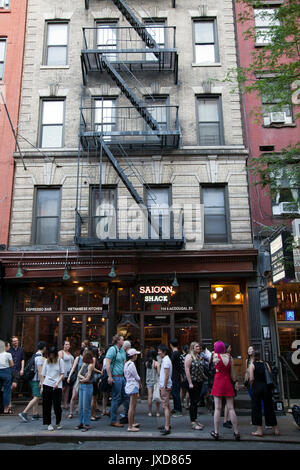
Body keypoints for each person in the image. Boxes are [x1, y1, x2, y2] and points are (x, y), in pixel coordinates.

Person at [210, 341, 240, 440]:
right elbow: (232, 371)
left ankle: (216, 432)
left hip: (218, 381)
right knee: (231, 408)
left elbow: (212, 362)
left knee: (217, 408)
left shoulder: (216, 356)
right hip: (227, 381)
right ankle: (236, 432)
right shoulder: (229, 358)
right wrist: (235, 381)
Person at [249, 350, 279, 437]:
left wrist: (251, 386)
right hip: (266, 387)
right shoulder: (266, 364)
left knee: (256, 408)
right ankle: (275, 429)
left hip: (256, 387)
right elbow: (269, 375)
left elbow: (251, 378)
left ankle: (259, 430)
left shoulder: (252, 365)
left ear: (254, 356)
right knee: (269, 407)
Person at [18, 341, 46, 423]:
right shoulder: (40, 358)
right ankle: (24, 412)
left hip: (31, 379)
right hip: (36, 380)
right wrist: (42, 382)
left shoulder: (34, 356)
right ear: (44, 348)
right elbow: (40, 372)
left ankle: (35, 414)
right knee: (36, 397)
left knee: (35, 396)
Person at [106, 334, 129, 427]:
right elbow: (107, 363)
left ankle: (112, 411)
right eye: (122, 340)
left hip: (122, 377)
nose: (123, 341)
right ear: (117, 341)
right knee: (116, 398)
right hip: (115, 376)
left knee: (125, 396)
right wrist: (109, 376)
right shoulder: (112, 349)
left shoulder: (122, 350)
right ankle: (113, 420)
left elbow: (124, 363)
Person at [41, 346, 64, 431]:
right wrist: (42, 384)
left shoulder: (60, 361)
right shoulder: (46, 362)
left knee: (57, 405)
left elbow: (62, 373)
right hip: (47, 384)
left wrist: (57, 383)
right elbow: (43, 374)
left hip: (57, 386)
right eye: (50, 354)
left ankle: (58, 422)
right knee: (47, 405)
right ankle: (48, 423)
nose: (51, 356)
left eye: (52, 354)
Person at [66, 340, 90, 419]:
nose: (86, 352)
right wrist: (69, 376)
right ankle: (71, 412)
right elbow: (73, 368)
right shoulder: (78, 358)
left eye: (87, 351)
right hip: (78, 379)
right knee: (74, 396)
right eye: (85, 351)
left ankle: (80, 411)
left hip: (86, 380)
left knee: (82, 397)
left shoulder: (88, 359)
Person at [184, 342, 205, 431]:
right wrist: (190, 382)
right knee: (193, 401)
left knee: (196, 401)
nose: (198, 347)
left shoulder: (198, 356)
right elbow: (187, 369)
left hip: (199, 381)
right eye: (196, 346)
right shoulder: (189, 357)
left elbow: (201, 369)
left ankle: (195, 420)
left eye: (199, 346)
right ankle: (193, 422)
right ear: (192, 347)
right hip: (193, 381)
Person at [76, 349, 95, 432]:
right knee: (81, 406)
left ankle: (86, 423)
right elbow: (79, 374)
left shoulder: (90, 365)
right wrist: (83, 378)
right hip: (83, 385)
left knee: (85, 406)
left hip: (87, 386)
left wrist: (82, 379)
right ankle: (81, 422)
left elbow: (88, 378)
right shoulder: (84, 364)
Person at [124, 348, 141, 432]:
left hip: (128, 385)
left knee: (133, 406)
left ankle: (131, 423)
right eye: (136, 354)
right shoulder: (132, 365)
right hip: (133, 385)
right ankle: (130, 426)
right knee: (132, 406)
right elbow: (136, 376)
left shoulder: (126, 364)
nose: (137, 356)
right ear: (133, 356)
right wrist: (140, 382)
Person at [157, 344, 172, 436]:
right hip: (165, 385)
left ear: (164, 352)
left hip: (165, 386)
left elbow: (166, 375)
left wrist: (164, 387)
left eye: (159, 351)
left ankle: (167, 427)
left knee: (165, 406)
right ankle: (167, 424)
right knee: (167, 406)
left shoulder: (166, 361)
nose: (158, 352)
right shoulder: (165, 360)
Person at [9, 336, 25, 412]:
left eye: (17, 340)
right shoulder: (9, 349)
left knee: (14, 386)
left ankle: (9, 399)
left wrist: (22, 369)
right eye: (14, 341)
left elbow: (22, 360)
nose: (16, 342)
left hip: (17, 370)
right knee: (9, 386)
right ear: (12, 342)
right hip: (9, 370)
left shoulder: (21, 350)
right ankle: (9, 402)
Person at [58, 340, 74, 410]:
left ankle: (65, 404)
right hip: (63, 373)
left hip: (69, 374)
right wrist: (61, 372)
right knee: (62, 389)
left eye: (68, 344)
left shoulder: (70, 353)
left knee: (67, 389)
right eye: (66, 344)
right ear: (63, 345)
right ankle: (58, 403)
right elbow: (59, 362)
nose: (67, 346)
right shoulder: (61, 352)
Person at [145, 349, 160, 417]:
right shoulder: (156, 363)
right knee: (156, 396)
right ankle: (157, 412)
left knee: (149, 396)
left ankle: (150, 412)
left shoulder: (147, 363)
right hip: (155, 381)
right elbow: (159, 373)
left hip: (149, 381)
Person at [169, 339, 182, 416]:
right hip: (177, 374)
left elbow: (170, 363)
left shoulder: (175, 353)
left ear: (171, 344)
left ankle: (178, 409)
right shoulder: (178, 353)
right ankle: (176, 408)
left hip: (175, 374)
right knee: (175, 391)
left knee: (175, 392)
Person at [0, 341, 14, 414]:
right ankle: (5, 409)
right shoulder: (8, 354)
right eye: (8, 346)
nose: (9, 347)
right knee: (7, 391)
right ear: (5, 347)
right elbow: (12, 364)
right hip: (6, 372)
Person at [91, 347, 102, 421]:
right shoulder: (94, 359)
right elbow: (92, 368)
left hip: (95, 379)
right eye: (97, 351)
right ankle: (92, 414)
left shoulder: (94, 358)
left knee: (95, 398)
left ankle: (93, 414)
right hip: (94, 380)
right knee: (94, 398)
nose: (99, 352)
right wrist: (100, 372)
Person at [180, 344, 190, 410]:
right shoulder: (190, 356)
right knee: (188, 391)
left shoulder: (181, 357)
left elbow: (180, 366)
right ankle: (187, 404)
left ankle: (181, 403)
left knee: (182, 390)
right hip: (189, 374)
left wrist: (180, 375)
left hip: (183, 374)